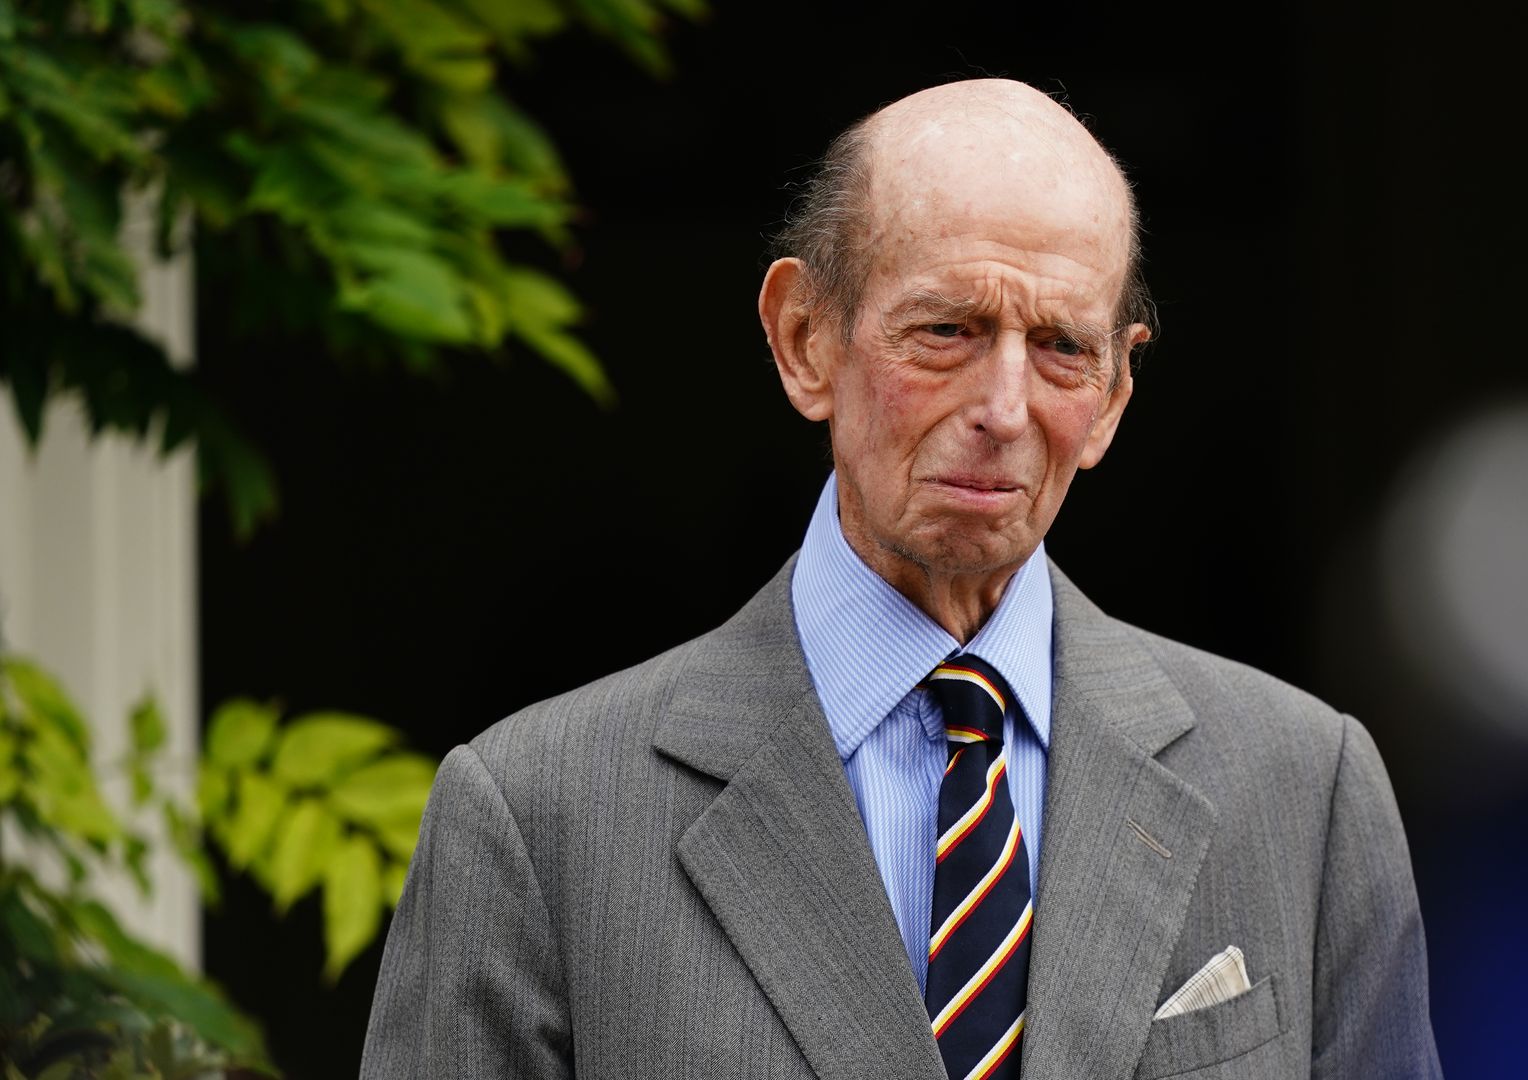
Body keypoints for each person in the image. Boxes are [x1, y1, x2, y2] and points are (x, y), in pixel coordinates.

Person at [360, 78, 1441, 1080]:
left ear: (1114, 391)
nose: (1006, 408)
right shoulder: (542, 820)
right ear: (803, 340)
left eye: (1061, 346)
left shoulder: (1306, 793)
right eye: (948, 331)